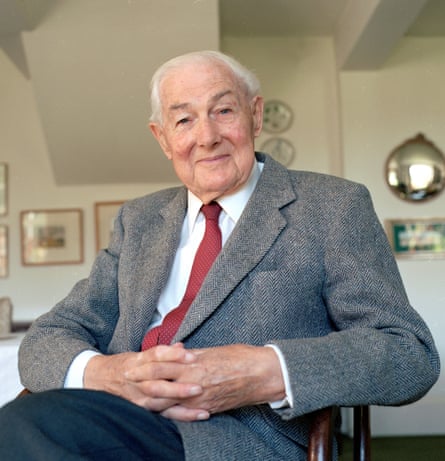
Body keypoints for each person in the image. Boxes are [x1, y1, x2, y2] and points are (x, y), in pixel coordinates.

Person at [0, 50, 439, 461]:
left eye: (223, 111)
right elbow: (46, 339)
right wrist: (111, 376)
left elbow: (408, 353)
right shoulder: (139, 220)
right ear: (163, 139)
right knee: (21, 425)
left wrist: (266, 370)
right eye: (184, 120)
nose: (206, 137)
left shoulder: (332, 206)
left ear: (256, 114)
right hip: (114, 420)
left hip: (238, 440)